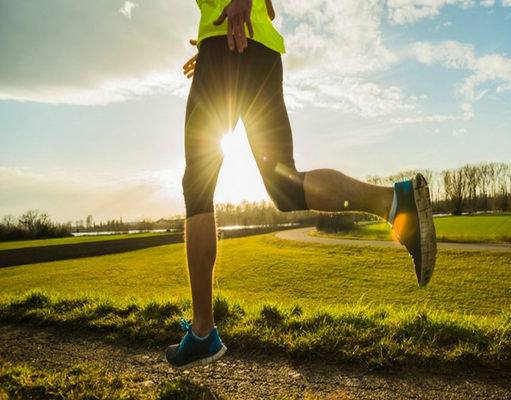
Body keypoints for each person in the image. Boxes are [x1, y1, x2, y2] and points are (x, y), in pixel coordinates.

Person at [165, 0, 436, 370]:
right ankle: (394, 201)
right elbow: (270, 12)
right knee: (285, 186)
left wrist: (222, 41)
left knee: (197, 185)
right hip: (252, 47)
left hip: (228, 43)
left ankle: (201, 333)